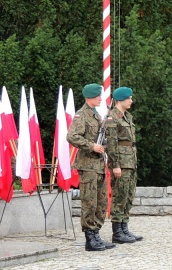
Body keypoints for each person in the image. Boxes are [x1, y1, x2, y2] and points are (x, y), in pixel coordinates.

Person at [67, 83, 116, 251]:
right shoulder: (82, 115)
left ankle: (96, 234)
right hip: (88, 165)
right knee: (89, 202)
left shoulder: (97, 115)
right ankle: (90, 238)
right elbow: (72, 136)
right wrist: (91, 146)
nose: (100, 99)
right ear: (89, 97)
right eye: (97, 96)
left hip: (99, 165)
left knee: (101, 202)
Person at [106, 86, 142, 244]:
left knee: (128, 195)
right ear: (120, 99)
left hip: (130, 161)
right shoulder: (113, 117)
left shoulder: (127, 116)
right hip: (121, 162)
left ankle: (124, 227)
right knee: (119, 195)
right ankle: (117, 232)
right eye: (129, 98)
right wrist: (115, 165)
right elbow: (112, 144)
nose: (131, 101)